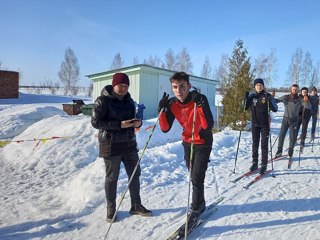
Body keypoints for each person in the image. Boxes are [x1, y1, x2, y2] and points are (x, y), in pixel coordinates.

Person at [91, 72, 151, 223]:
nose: (123, 88)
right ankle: (111, 210)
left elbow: (135, 119)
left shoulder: (130, 101)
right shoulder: (103, 101)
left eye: (126, 86)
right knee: (112, 179)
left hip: (130, 145)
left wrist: (138, 123)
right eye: (120, 85)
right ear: (114, 85)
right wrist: (118, 125)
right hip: (111, 145)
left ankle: (136, 205)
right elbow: (95, 122)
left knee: (135, 175)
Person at [158, 72, 214, 229]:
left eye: (182, 87)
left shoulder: (199, 99)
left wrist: (201, 105)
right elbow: (164, 128)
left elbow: (208, 125)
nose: (178, 91)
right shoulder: (172, 103)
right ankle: (200, 202)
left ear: (189, 86)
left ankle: (196, 208)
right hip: (187, 142)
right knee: (193, 175)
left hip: (203, 141)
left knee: (197, 176)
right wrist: (161, 110)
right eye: (175, 87)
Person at [244, 78, 278, 175]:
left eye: (260, 85)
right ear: (255, 86)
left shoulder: (267, 96)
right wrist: (245, 98)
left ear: (263, 86)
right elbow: (244, 108)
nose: (259, 87)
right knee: (255, 144)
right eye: (257, 85)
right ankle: (255, 162)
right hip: (255, 124)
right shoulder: (252, 96)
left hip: (264, 125)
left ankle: (264, 164)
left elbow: (275, 108)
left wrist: (270, 101)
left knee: (264, 145)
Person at [274, 84, 310, 158]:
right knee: (281, 135)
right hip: (285, 119)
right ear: (291, 89)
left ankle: (291, 151)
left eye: (296, 89)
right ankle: (279, 151)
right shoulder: (286, 97)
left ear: (298, 90)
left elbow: (308, 107)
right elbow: (275, 101)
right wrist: (271, 97)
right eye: (293, 89)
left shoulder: (300, 99)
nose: (294, 90)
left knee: (292, 137)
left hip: (294, 120)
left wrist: (307, 101)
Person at [295, 87, 312, 151]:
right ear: (301, 92)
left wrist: (307, 101)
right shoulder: (298, 97)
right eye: (303, 91)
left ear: (307, 92)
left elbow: (310, 107)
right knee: (296, 128)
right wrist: (302, 101)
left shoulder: (309, 98)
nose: (304, 92)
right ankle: (294, 140)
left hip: (306, 116)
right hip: (298, 115)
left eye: (305, 91)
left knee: (304, 130)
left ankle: (302, 141)